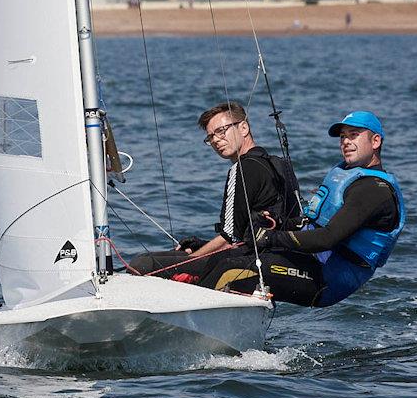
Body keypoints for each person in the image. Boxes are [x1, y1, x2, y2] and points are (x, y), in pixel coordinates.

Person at [199, 111, 405, 307]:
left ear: (375, 141)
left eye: (354, 135)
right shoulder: (347, 174)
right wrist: (280, 223)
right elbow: (313, 221)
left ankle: (191, 318)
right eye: (342, 137)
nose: (346, 142)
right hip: (312, 260)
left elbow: (327, 238)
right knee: (224, 258)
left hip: (329, 278)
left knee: (231, 269)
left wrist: (272, 238)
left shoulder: (373, 190)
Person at [127, 101, 300, 279]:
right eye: (210, 137)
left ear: (243, 128)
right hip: (280, 257)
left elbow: (230, 238)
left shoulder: (242, 169)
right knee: (186, 250)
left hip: (248, 261)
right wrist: (201, 246)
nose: (216, 140)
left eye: (221, 131)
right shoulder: (279, 164)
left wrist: (190, 261)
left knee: (143, 263)